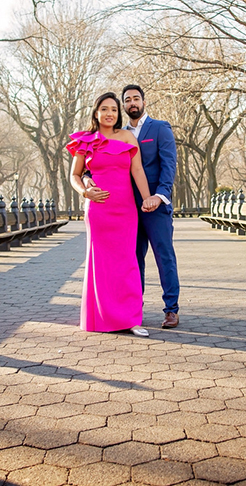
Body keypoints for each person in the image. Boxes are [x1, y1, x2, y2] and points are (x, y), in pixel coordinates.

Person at [83, 85, 181, 329]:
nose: (132, 103)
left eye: (136, 98)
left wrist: (158, 196)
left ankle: (171, 310)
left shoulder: (159, 128)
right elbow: (89, 167)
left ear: (144, 102)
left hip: (154, 205)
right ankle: (133, 311)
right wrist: (86, 182)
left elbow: (168, 167)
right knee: (131, 261)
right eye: (127, 100)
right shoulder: (116, 133)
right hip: (125, 209)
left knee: (164, 256)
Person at [67, 92, 157, 337]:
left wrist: (147, 197)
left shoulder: (127, 136)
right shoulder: (85, 140)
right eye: (105, 109)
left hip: (126, 209)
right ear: (96, 112)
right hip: (98, 210)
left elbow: (137, 170)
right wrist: (85, 193)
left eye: (114, 110)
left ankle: (131, 319)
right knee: (101, 265)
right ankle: (100, 319)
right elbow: (74, 175)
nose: (110, 114)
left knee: (128, 263)